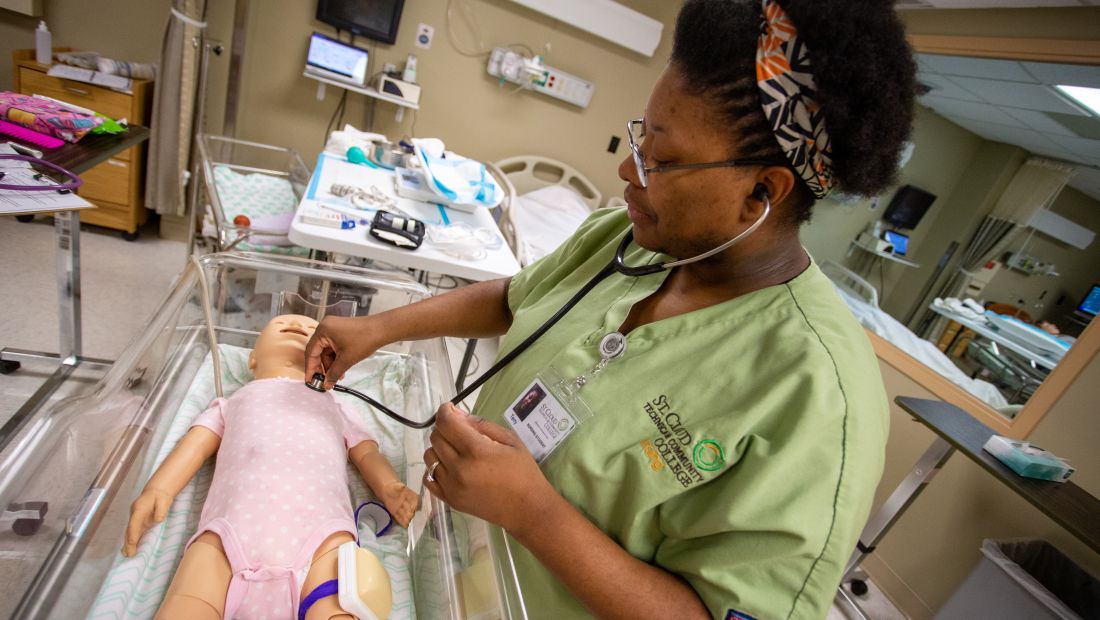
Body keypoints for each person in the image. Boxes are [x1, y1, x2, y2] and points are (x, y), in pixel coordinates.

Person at [305, 0, 916, 617]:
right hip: (456, 574)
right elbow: (517, 299)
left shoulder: (817, 398)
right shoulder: (627, 239)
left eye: (664, 159)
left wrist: (533, 513)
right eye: (641, 135)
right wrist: (378, 328)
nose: (628, 168)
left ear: (761, 191)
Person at [123, 315, 417, 620]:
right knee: (187, 605)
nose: (298, 324)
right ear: (252, 359)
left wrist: (390, 487)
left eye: (310, 330)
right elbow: (195, 445)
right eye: (281, 324)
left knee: (338, 607)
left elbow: (366, 453)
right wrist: (158, 489)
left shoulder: (337, 406)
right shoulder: (231, 402)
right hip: (228, 535)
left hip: (321, 537)